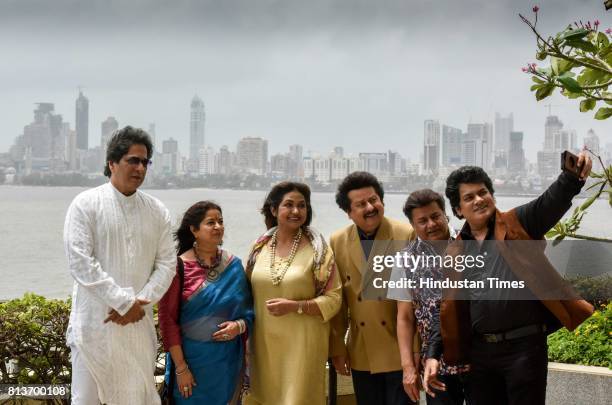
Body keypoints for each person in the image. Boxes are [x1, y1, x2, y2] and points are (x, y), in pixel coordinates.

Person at [435, 159, 595, 405]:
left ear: (492, 196)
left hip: (525, 349)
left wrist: (571, 177)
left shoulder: (518, 223)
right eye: (469, 197)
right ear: (458, 210)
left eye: (483, 192)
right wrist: (435, 354)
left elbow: (548, 204)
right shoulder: (455, 251)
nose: (478, 200)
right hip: (480, 356)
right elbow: (450, 307)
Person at [63, 126, 176, 404]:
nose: (140, 167)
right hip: (94, 328)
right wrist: (124, 303)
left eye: (145, 162)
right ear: (112, 163)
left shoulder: (157, 211)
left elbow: (167, 264)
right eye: (132, 160)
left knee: (137, 397)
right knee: (86, 400)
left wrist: (140, 303)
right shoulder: (85, 204)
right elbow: (80, 262)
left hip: (137, 327)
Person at [243, 182, 342, 405]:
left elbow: (334, 299)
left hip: (303, 346)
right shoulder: (259, 247)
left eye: (302, 205)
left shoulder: (319, 251)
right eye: (289, 205)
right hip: (263, 346)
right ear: (274, 209)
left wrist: (295, 306)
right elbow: (245, 293)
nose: (296, 211)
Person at [329, 171, 417, 405]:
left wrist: (416, 352)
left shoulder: (406, 234)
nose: (370, 207)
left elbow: (416, 302)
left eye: (374, 200)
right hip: (362, 352)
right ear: (349, 212)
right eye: (361, 204)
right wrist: (338, 348)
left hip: (400, 351)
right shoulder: (337, 241)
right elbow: (339, 301)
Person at [158, 201, 254, 404]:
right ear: (194, 230)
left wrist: (239, 326)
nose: (218, 227)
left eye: (220, 221)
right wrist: (181, 368)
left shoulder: (234, 265)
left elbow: (250, 312)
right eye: (211, 222)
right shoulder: (178, 268)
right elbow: (168, 323)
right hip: (190, 366)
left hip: (227, 364)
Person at [388, 189, 470, 405]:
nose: (431, 224)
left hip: (479, 358)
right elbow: (404, 318)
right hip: (436, 366)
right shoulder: (405, 260)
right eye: (422, 221)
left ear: (445, 214)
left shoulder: (468, 244)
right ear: (413, 226)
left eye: (435, 216)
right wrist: (408, 368)